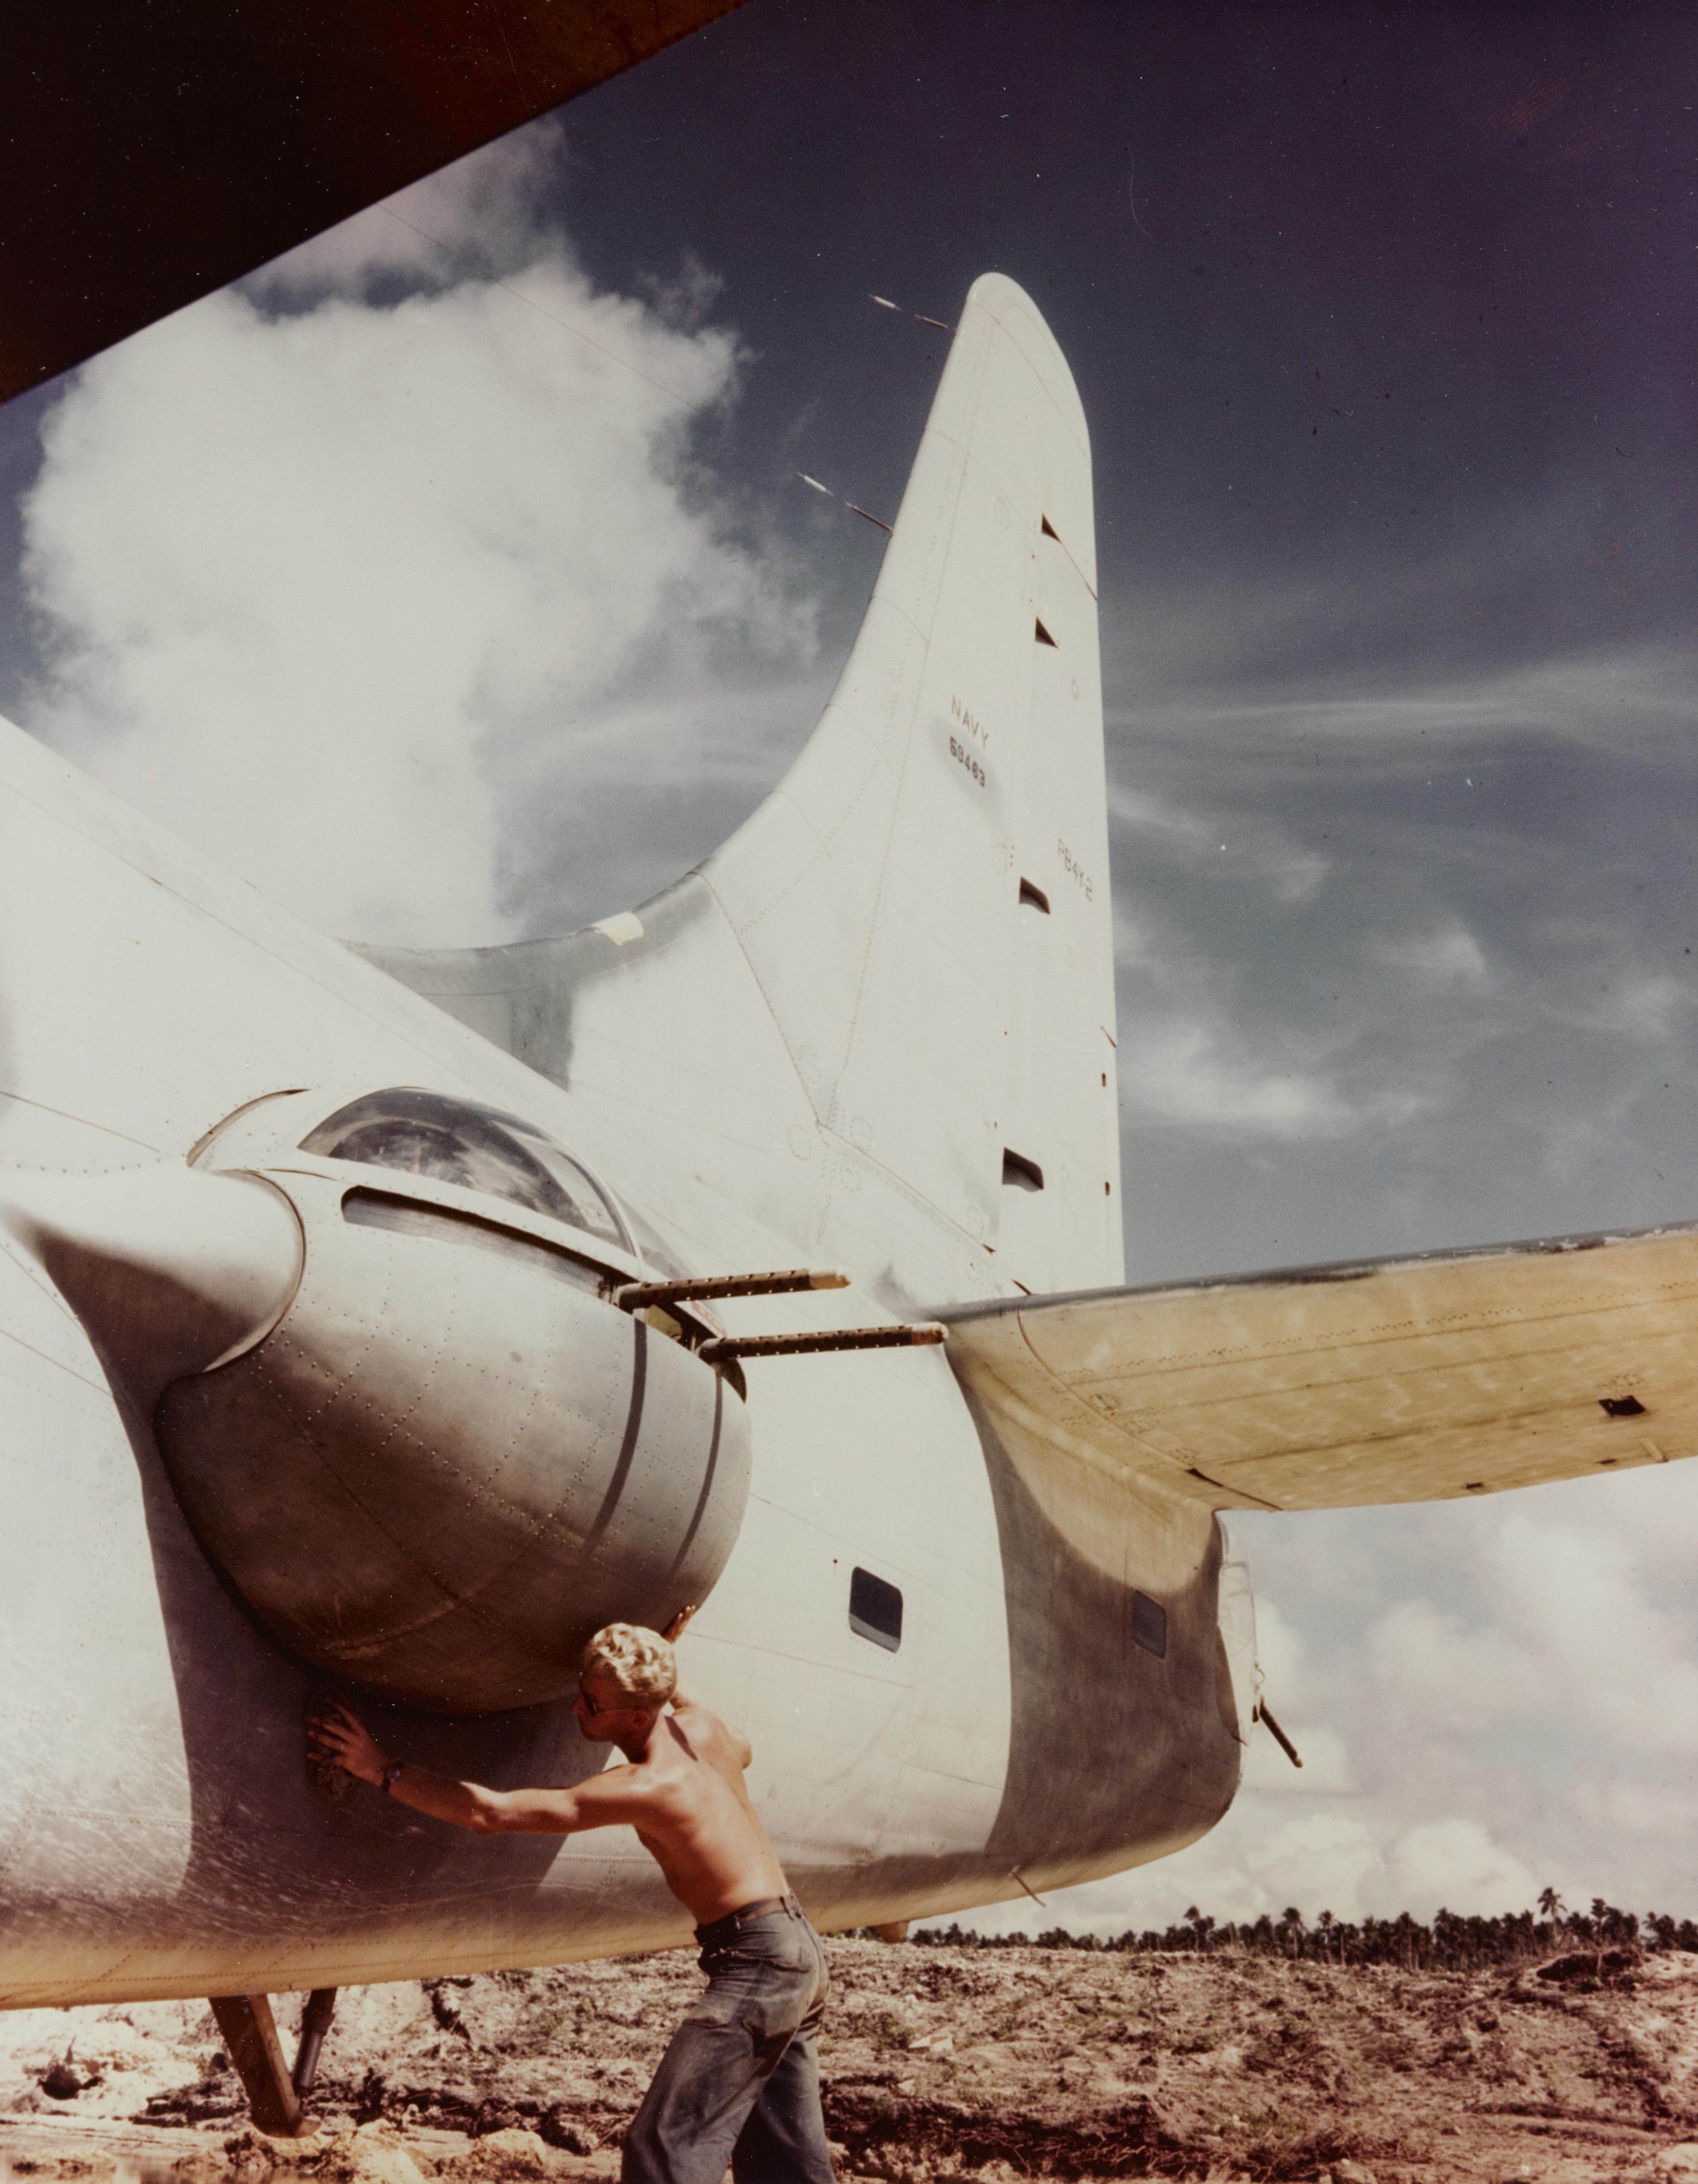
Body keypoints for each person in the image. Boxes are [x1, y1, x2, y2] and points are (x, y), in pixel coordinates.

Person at [307, 1609, 834, 2184]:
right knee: (785, 2159)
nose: (577, 1709)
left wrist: (380, 1768)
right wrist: (663, 1667)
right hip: (798, 1952)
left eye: (593, 1704)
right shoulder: (706, 1731)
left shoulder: (647, 1787)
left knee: (664, 2148)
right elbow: (742, 1744)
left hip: (758, 1961)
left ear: (637, 1715)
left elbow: (491, 1813)